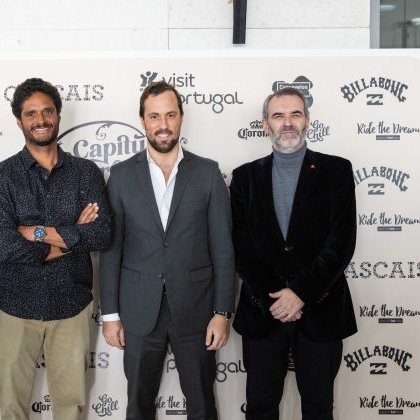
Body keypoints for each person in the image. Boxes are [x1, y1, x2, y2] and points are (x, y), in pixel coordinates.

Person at [99, 80, 236, 420]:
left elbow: (222, 249)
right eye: (155, 116)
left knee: (203, 405)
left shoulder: (207, 173)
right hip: (138, 311)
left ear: (181, 118)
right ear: (143, 121)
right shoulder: (120, 176)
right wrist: (111, 314)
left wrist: (222, 311)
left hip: (197, 310)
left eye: (170, 115)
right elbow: (111, 252)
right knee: (139, 405)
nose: (163, 125)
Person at [0, 77, 112, 420]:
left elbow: (100, 234)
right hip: (13, 303)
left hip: (71, 302)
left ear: (58, 114)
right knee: (12, 406)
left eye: (47, 111)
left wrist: (36, 232)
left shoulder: (85, 172)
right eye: (31, 113)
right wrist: (72, 237)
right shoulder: (0, 176)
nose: (40, 119)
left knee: (71, 406)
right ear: (19, 120)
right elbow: (6, 246)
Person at [229, 87, 357, 420]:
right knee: (260, 407)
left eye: (295, 114)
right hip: (263, 312)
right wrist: (278, 299)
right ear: (265, 124)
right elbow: (242, 245)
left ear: (308, 121)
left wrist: (300, 294)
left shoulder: (337, 171)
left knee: (318, 408)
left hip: (320, 310)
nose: (288, 123)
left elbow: (340, 243)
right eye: (279, 115)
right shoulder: (244, 178)